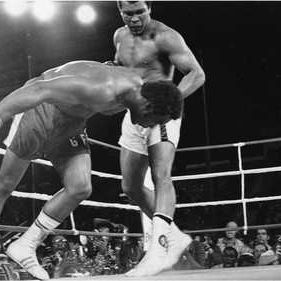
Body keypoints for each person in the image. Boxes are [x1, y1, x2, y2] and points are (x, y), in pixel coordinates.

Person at [0, 60, 184, 281]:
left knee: (80, 187)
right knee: (4, 186)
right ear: (148, 105)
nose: (149, 126)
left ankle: (25, 245)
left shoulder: (137, 92)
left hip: (71, 125)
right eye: (154, 119)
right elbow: (40, 88)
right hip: (40, 112)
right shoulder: (104, 88)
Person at [111, 1, 206, 276]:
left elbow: (197, 74)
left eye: (140, 11)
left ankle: (159, 248)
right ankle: (174, 237)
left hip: (161, 114)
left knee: (160, 176)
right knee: (130, 187)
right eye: (128, 13)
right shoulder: (119, 36)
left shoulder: (165, 36)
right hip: (133, 114)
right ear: (119, 12)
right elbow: (122, 67)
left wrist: (169, 102)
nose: (135, 18)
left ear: (149, 7)